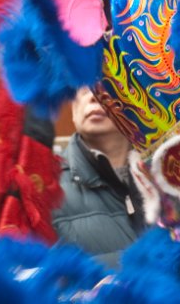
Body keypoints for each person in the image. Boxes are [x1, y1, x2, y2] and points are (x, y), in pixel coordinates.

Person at [52, 87, 146, 265]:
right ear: (73, 107)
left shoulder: (170, 178)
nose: (94, 97)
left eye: (105, 83)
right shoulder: (46, 191)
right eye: (82, 86)